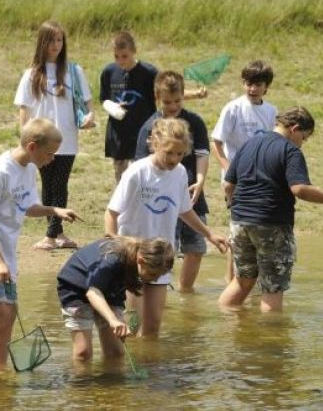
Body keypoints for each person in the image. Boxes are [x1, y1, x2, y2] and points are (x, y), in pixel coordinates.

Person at [0, 117, 82, 371]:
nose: (53, 159)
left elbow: (28, 207)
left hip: (5, 251)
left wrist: (54, 210)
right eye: (50, 153)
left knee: (10, 314)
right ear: (33, 147)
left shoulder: (28, 169)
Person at [105, 117, 229, 337]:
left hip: (161, 258)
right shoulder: (137, 172)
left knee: (153, 326)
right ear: (155, 144)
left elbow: (184, 210)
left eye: (180, 154)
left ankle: (151, 367)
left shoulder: (180, 172)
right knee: (132, 326)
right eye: (169, 152)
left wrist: (210, 234)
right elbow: (112, 212)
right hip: (134, 258)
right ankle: (126, 365)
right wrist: (115, 242)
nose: (174, 159)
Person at [218, 107, 323, 313]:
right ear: (295, 129)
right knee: (272, 288)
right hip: (272, 224)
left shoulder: (249, 144)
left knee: (242, 281)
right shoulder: (290, 151)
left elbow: (228, 185)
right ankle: (270, 342)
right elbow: (300, 189)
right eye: (303, 138)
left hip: (239, 222)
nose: (302, 143)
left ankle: (227, 330)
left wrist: (237, 209)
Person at [14, 20, 95, 251]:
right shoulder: (31, 74)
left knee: (60, 184)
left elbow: (87, 103)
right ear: (42, 42)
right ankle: (56, 233)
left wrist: (89, 117)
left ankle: (51, 235)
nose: (56, 45)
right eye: (51, 40)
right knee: (48, 185)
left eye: (59, 40)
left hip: (66, 138)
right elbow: (24, 109)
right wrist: (24, 137)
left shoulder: (74, 71)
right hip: (40, 140)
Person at [135, 70, 210, 293]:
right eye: (167, 102)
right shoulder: (151, 126)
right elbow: (139, 165)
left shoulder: (194, 121)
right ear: (158, 98)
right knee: (166, 250)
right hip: (160, 200)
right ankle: (160, 290)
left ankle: (185, 292)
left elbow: (202, 153)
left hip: (192, 194)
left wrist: (200, 180)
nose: (173, 106)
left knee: (196, 247)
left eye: (177, 101)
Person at [100, 32, 208, 183]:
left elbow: (168, 92)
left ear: (134, 51)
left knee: (147, 179)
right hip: (120, 136)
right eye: (116, 56)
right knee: (124, 181)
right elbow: (104, 99)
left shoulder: (148, 72)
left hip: (146, 133)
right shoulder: (109, 72)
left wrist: (196, 93)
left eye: (124, 56)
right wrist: (112, 106)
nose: (120, 61)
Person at [211, 60, 277, 283]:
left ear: (266, 86)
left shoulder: (271, 111)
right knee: (237, 230)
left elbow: (272, 143)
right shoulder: (233, 108)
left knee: (257, 229)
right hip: (236, 182)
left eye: (257, 84)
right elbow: (216, 142)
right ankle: (231, 281)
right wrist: (228, 169)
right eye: (248, 83)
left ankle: (251, 282)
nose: (252, 88)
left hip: (262, 180)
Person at [57, 236, 174, 362]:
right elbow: (93, 293)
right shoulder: (113, 258)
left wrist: (120, 321)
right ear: (140, 260)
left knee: (116, 352)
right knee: (83, 353)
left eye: (159, 276)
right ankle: (81, 381)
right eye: (153, 274)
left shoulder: (135, 264)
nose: (155, 279)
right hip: (76, 288)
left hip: (109, 291)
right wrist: (113, 320)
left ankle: (112, 381)